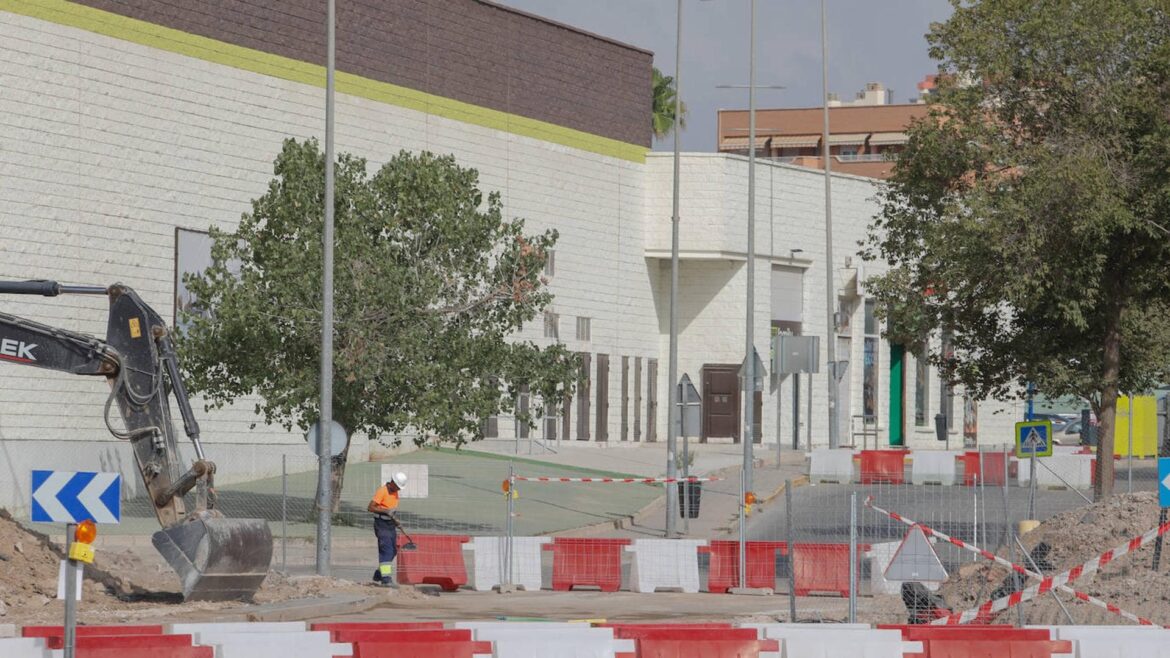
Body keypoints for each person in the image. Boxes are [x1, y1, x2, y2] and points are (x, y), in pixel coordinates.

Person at [368, 471, 407, 586]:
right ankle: (386, 579)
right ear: (393, 482)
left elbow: (392, 509)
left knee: (393, 551)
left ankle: (379, 573)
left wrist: (396, 521)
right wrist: (385, 511)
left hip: (390, 524)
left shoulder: (395, 493)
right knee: (386, 550)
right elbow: (370, 507)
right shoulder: (382, 491)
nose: (399, 489)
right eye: (398, 487)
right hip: (381, 524)